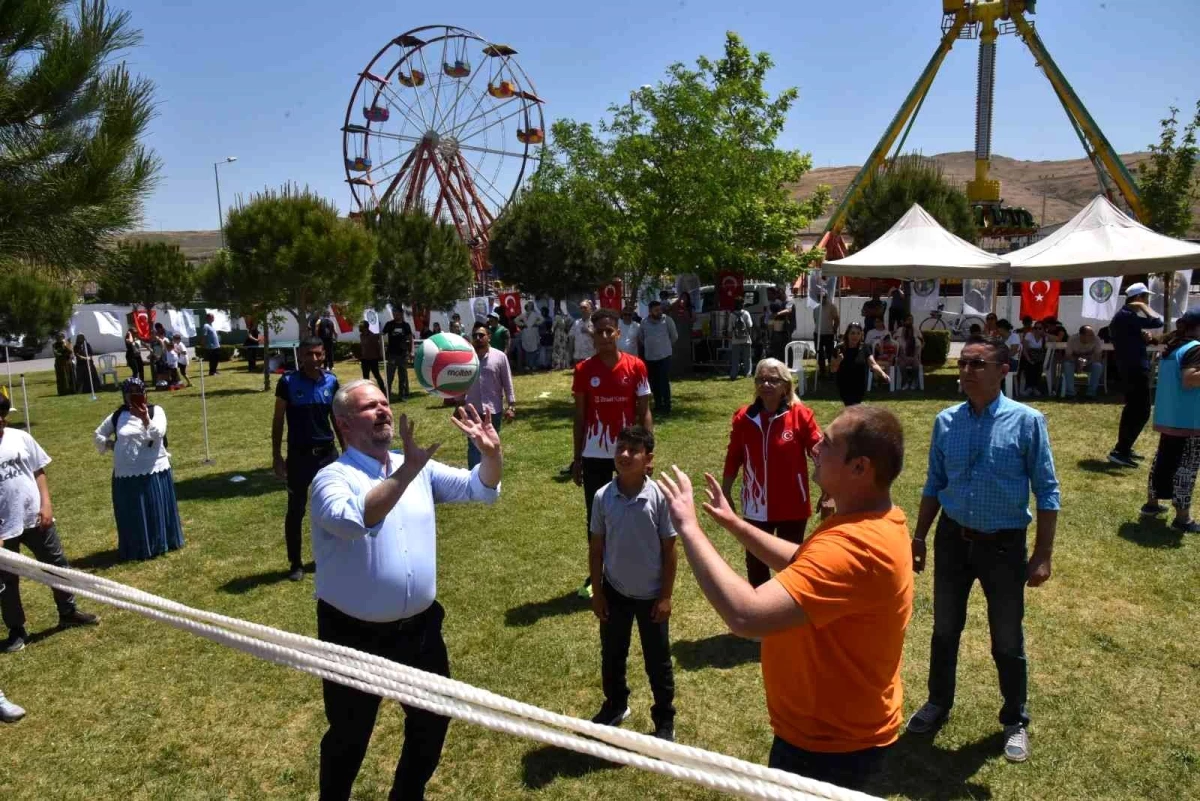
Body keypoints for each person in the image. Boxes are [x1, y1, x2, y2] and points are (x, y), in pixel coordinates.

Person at [656, 405, 912, 790]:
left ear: (859, 468)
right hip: (830, 736)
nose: (815, 449)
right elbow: (803, 560)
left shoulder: (858, 546)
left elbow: (747, 616)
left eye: (826, 444)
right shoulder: (871, 520)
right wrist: (735, 524)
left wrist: (688, 528)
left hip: (832, 750)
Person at [309, 382, 501, 801]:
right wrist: (407, 471)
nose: (382, 411)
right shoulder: (332, 478)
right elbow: (353, 519)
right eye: (369, 407)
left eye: (384, 404)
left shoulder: (414, 467)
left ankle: (407, 795)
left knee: (433, 720)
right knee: (350, 734)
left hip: (420, 631)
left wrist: (491, 455)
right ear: (343, 424)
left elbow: (479, 488)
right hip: (353, 635)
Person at [907, 335, 1060, 764]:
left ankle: (1015, 719)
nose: (967, 371)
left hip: (1004, 546)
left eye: (977, 364)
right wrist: (919, 536)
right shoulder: (946, 421)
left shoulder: (1027, 422)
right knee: (944, 629)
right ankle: (938, 703)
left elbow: (1047, 491)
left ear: (1003, 370)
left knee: (1007, 638)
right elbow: (934, 483)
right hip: (953, 540)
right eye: (963, 365)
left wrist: (1043, 553)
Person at [588, 426, 677, 740]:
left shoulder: (659, 498)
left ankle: (665, 720)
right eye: (620, 448)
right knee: (612, 653)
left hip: (652, 595)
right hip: (615, 591)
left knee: (658, 660)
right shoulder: (602, 497)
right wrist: (598, 593)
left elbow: (670, 551)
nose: (625, 455)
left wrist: (665, 597)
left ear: (648, 459)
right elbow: (596, 549)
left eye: (634, 450)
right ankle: (615, 705)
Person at [0, 394, 100, 653]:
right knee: (7, 580)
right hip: (3, 527)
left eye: (3, 416)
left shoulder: (20, 437)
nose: (1, 421)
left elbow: (38, 471)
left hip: (35, 517)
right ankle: (16, 629)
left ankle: (68, 611)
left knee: (57, 565)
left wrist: (46, 504)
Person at [573, 309, 653, 597]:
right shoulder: (583, 370)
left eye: (610, 331)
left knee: (631, 513)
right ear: (592, 336)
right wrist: (577, 458)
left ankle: (625, 570)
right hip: (594, 454)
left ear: (618, 333)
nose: (605, 336)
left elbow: (644, 411)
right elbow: (580, 417)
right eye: (600, 332)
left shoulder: (637, 367)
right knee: (596, 516)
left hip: (628, 454)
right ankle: (597, 575)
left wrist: (646, 452)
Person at [721, 359, 821, 588]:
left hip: (793, 504)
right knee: (756, 562)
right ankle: (761, 614)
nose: (766, 384)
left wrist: (831, 492)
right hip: (756, 505)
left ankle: (790, 613)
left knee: (791, 564)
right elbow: (734, 455)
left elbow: (820, 454)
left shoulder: (801, 416)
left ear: (785, 385)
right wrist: (726, 491)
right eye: (761, 379)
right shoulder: (743, 418)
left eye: (772, 380)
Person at [272, 337, 343, 582]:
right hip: (299, 457)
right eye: (308, 355)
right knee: (296, 510)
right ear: (300, 356)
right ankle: (295, 563)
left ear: (324, 354)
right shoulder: (288, 382)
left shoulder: (332, 382)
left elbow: (337, 419)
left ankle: (336, 556)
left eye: (318, 354)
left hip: (328, 456)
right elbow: (278, 420)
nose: (313, 359)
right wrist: (276, 457)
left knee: (335, 507)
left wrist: (348, 452)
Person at [93, 378, 185, 560]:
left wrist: (145, 418)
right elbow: (98, 434)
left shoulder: (156, 411)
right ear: (124, 396)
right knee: (132, 511)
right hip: (126, 473)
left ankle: (160, 543)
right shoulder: (118, 416)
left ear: (145, 394)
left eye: (138, 393)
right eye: (130, 393)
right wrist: (112, 446)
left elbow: (158, 433)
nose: (134, 397)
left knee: (154, 507)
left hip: (153, 469)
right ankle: (136, 546)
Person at [1142, 308, 1200, 533]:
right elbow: (1189, 379)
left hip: (1169, 417)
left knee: (1164, 462)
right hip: (1189, 419)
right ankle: (1182, 518)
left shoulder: (1172, 348)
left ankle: (1151, 504)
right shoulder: (1195, 349)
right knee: (1186, 467)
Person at [1108, 283, 1164, 467]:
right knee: (1141, 411)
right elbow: (1157, 321)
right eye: (1146, 298)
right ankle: (1121, 450)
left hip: (1131, 367)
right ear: (1139, 298)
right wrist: (1142, 307)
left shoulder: (1126, 317)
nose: (1148, 301)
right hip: (1134, 368)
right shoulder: (1126, 316)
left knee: (1133, 409)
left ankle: (1124, 447)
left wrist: (1143, 337)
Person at [464, 321, 515, 468]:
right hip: (472, 409)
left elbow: (507, 382)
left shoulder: (499, 357)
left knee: (491, 445)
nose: (478, 338)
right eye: (475, 335)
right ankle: (474, 480)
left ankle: (490, 478)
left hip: (493, 410)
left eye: (481, 335)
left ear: (489, 337)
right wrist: (458, 403)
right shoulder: (466, 358)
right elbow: (461, 383)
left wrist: (511, 406)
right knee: (474, 447)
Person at [830, 323, 889, 406]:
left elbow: (873, 364)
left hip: (860, 385)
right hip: (844, 384)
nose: (855, 336)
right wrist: (838, 361)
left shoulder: (865, 348)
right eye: (853, 333)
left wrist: (883, 373)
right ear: (848, 334)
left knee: (856, 407)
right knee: (850, 407)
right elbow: (833, 369)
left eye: (858, 333)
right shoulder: (839, 348)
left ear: (861, 335)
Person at [638, 301, 678, 416]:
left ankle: (667, 405)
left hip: (664, 356)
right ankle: (658, 404)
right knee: (654, 382)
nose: (659, 312)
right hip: (650, 357)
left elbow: (674, 336)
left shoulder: (667, 320)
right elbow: (641, 338)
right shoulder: (644, 322)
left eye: (660, 309)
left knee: (664, 381)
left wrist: (665, 346)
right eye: (656, 310)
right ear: (650, 311)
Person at [1063, 326, 1104, 400]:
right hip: (1074, 362)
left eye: (1092, 334)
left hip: (1089, 362)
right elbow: (1068, 355)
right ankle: (1070, 394)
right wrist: (1079, 363)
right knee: (1067, 365)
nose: (1093, 336)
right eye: (1090, 335)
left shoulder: (1096, 339)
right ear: (1081, 335)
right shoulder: (1072, 339)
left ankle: (1091, 393)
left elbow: (1098, 357)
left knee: (1098, 366)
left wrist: (1084, 362)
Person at [382, 312, 413, 401]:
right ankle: (387, 395)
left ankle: (402, 395)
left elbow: (410, 338)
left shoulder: (405, 325)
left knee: (402, 376)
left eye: (398, 314)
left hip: (403, 354)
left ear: (401, 315)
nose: (396, 315)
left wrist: (411, 351)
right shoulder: (389, 324)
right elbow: (382, 334)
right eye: (395, 314)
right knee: (389, 376)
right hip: (392, 354)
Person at [813, 290, 839, 378]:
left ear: (826, 297)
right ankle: (822, 371)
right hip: (817, 334)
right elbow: (815, 321)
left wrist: (834, 329)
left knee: (830, 353)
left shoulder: (832, 306)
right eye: (819, 297)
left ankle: (832, 371)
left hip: (828, 334)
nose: (821, 299)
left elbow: (836, 319)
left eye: (823, 297)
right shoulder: (816, 308)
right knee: (819, 353)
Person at [727, 297, 754, 380]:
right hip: (746, 339)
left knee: (735, 358)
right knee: (747, 358)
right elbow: (750, 326)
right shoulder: (746, 313)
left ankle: (734, 374)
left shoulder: (732, 315)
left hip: (735, 340)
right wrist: (749, 335)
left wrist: (730, 337)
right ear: (742, 304)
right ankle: (747, 373)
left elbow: (730, 329)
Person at [1019, 320, 1048, 397]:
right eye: (1035, 328)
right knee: (1030, 365)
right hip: (1027, 356)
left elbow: (1057, 339)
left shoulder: (1045, 338)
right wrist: (1029, 359)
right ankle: (1030, 387)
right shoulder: (1029, 335)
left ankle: (1033, 387)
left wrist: (1045, 334)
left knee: (1038, 365)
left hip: (1039, 359)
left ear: (1043, 329)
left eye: (1040, 328)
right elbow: (1024, 349)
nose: (1037, 330)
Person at [357, 321, 385, 395]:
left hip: (373, 359)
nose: (359, 328)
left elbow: (377, 347)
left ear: (365, 327)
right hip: (364, 360)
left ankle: (383, 390)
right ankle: (367, 392)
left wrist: (379, 355)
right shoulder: (361, 336)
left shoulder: (373, 336)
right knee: (365, 378)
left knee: (377, 375)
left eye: (361, 327)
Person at [895, 316, 923, 390]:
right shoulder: (900, 337)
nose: (910, 321)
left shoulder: (916, 338)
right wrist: (904, 357)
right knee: (902, 364)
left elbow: (919, 346)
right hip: (902, 357)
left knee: (916, 364)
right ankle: (906, 382)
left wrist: (914, 357)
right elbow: (898, 348)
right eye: (908, 320)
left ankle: (914, 382)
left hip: (913, 356)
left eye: (911, 320)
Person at [515, 302, 543, 372]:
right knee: (526, 349)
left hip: (533, 333)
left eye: (531, 305)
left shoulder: (536, 314)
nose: (530, 306)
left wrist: (536, 324)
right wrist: (523, 324)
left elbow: (542, 319)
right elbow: (516, 320)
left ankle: (533, 365)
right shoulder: (524, 314)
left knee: (534, 349)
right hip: (526, 333)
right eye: (529, 305)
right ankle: (528, 365)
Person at [569, 300, 596, 365]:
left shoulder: (595, 322)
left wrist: (589, 331)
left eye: (585, 307)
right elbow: (571, 338)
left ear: (590, 309)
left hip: (590, 356)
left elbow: (599, 337)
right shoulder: (576, 323)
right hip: (578, 357)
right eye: (581, 308)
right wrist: (570, 355)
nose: (583, 310)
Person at [552, 305, 572, 370]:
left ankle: (557, 365)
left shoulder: (557, 317)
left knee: (557, 349)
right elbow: (568, 325)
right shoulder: (565, 317)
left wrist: (551, 330)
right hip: (564, 334)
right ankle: (564, 364)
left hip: (558, 334)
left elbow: (554, 326)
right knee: (564, 349)